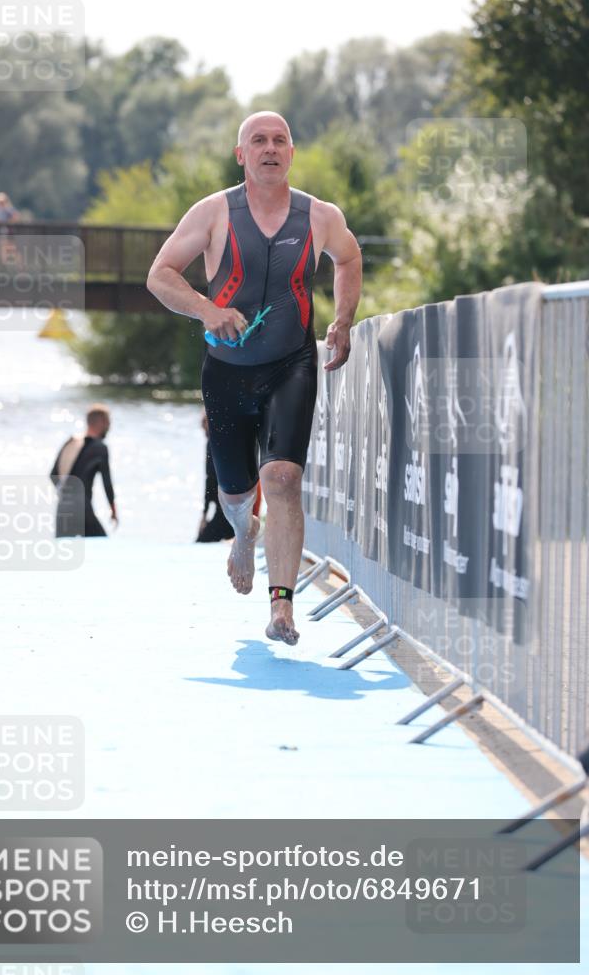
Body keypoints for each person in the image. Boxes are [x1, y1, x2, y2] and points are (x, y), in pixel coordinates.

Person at [147, 111, 362, 644]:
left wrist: (342, 319)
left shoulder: (320, 216)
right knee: (237, 494)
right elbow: (160, 275)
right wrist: (206, 309)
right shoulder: (214, 212)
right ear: (240, 155)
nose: (270, 148)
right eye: (258, 141)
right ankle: (243, 534)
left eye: (279, 140)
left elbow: (349, 258)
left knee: (283, 478)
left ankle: (281, 608)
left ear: (291, 153)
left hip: (292, 364)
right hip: (226, 372)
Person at [50, 404, 118, 537]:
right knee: (101, 545)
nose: (109, 427)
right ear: (102, 422)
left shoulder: (70, 442)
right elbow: (107, 483)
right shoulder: (100, 448)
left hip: (63, 508)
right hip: (82, 507)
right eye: (108, 423)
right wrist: (113, 510)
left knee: (64, 548)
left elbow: (53, 475)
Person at [196, 412, 262, 543]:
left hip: (227, 507)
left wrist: (204, 514)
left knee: (201, 542)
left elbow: (210, 480)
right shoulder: (233, 438)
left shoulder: (212, 443)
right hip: (240, 501)